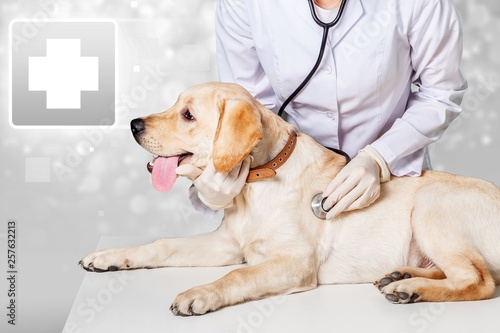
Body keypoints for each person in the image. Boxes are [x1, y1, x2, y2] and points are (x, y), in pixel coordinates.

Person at [176, 0, 467, 220]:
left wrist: (380, 157)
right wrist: (219, 190)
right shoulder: (245, 4)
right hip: (289, 187)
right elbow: (248, 112)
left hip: (394, 184)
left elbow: (440, 93)